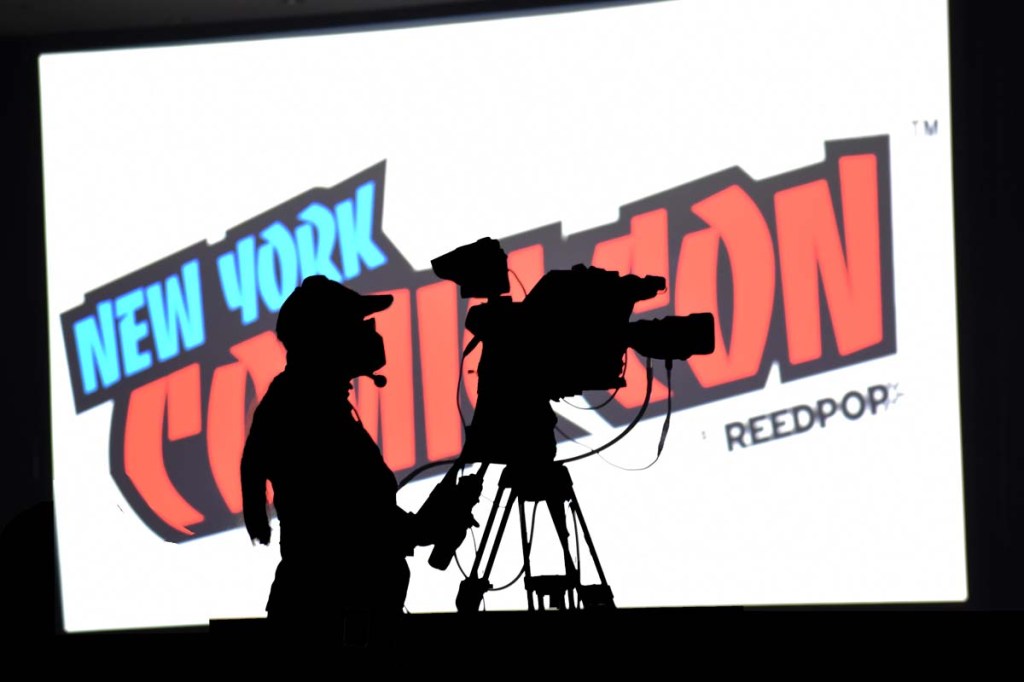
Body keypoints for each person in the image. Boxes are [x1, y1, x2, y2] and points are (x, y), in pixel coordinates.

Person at [240, 275, 436, 642]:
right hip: (337, 619)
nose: (369, 334)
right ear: (326, 337)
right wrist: (420, 530)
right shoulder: (307, 409)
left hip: (331, 609)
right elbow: (347, 520)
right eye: (356, 325)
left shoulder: (300, 399)